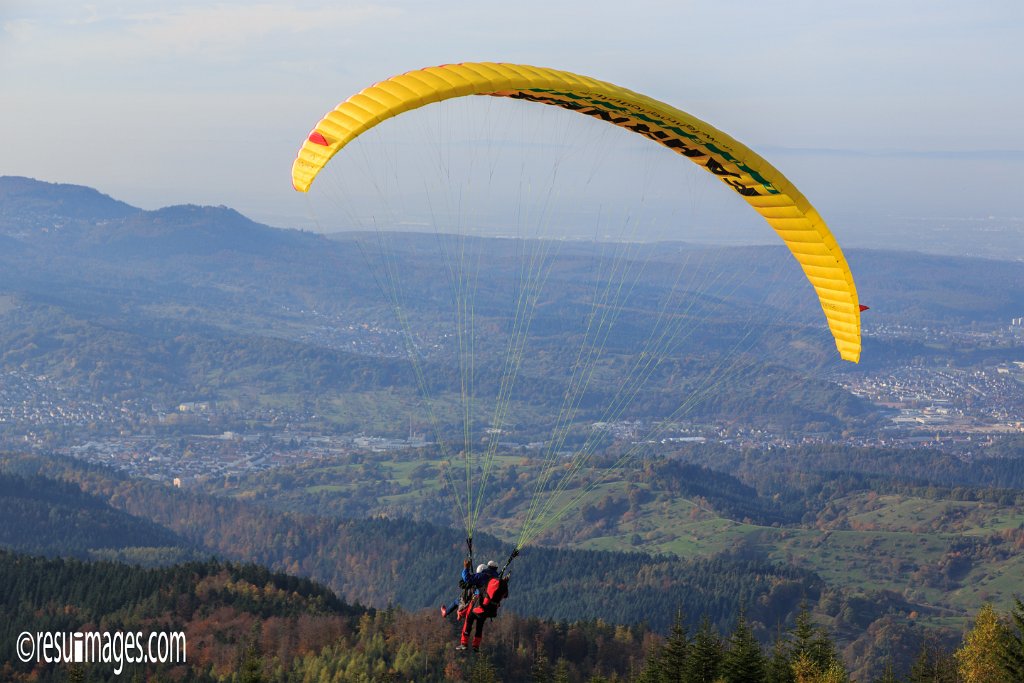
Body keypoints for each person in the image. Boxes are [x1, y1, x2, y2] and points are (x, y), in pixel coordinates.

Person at [456, 560, 509, 652]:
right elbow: (505, 595)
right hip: (488, 608)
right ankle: (476, 645)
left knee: (468, 621)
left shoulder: (482, 575)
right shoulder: (497, 579)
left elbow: (467, 579)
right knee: (479, 626)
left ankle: (464, 643)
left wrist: (466, 568)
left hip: (477, 603)